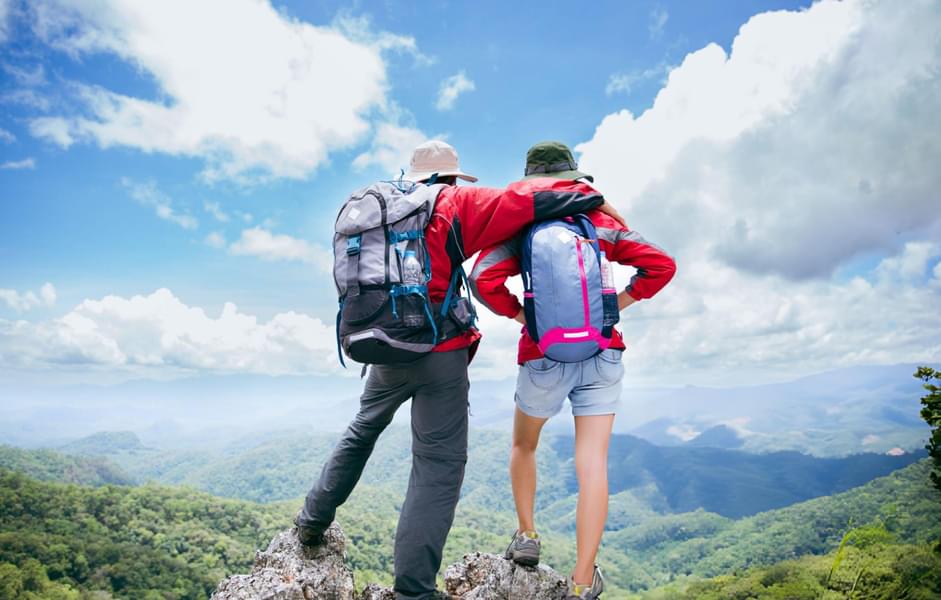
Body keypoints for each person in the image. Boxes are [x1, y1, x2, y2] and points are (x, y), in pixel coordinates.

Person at [296, 140, 625, 600]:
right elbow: (537, 200)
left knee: (362, 429)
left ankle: (311, 522)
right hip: (440, 353)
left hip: (384, 347)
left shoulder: (378, 205)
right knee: (436, 466)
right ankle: (413, 590)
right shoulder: (457, 202)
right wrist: (595, 196)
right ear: (452, 177)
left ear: (413, 175)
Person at [469, 141, 676, 599]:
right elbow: (662, 264)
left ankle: (527, 536)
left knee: (524, 444)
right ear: (573, 177)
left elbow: (482, 277)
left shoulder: (521, 226)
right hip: (603, 353)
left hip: (542, 355)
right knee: (593, 464)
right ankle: (583, 581)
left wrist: (524, 317)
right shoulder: (599, 223)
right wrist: (616, 305)